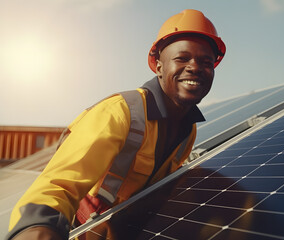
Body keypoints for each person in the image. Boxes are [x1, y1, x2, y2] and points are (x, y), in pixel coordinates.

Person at [6, 9, 226, 240]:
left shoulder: (188, 129)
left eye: (206, 62)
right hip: (78, 231)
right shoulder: (120, 112)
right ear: (159, 66)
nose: (195, 67)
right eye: (182, 58)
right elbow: (59, 184)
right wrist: (37, 228)